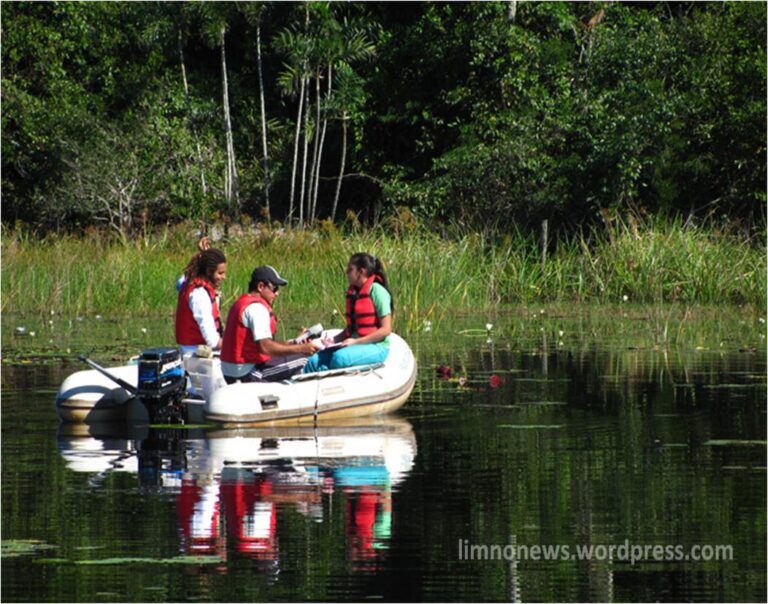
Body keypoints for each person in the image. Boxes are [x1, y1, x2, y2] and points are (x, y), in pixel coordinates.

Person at [220, 266, 320, 383]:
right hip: (247, 373)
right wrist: (301, 348)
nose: (277, 293)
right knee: (306, 359)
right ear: (261, 287)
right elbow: (266, 347)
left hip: (230, 372)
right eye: (274, 288)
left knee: (293, 355)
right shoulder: (257, 309)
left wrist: (294, 342)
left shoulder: (241, 303)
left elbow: (264, 344)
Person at [303, 253, 392, 374]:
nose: (346, 272)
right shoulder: (355, 293)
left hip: (377, 347)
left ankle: (329, 379)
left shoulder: (377, 291)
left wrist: (355, 342)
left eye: (350, 269)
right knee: (313, 361)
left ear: (361, 271)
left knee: (340, 358)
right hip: (356, 344)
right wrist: (334, 340)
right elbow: (354, 329)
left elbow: (386, 330)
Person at [175, 246, 227, 356]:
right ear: (208, 271)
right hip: (195, 354)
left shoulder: (187, 282)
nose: (224, 277)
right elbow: (212, 341)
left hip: (194, 350)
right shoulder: (199, 295)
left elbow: (180, 281)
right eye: (220, 273)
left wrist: (203, 255)